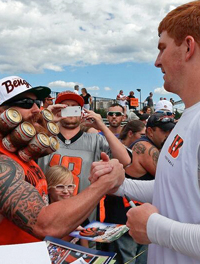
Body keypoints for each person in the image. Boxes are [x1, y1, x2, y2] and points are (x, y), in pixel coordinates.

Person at [90, 1, 200, 263]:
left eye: (162, 49)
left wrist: (153, 228)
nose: (156, 61)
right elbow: (175, 189)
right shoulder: (187, 117)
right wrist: (119, 185)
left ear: (187, 47)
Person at [0, 76, 125, 245]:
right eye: (26, 103)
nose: (37, 109)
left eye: (38, 102)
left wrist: (69, 223)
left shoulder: (22, 153)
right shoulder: (3, 161)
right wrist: (106, 182)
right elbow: (45, 225)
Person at [38, 91, 130, 222]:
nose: (70, 111)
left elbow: (125, 160)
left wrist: (102, 127)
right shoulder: (44, 137)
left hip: (85, 214)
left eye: (74, 107)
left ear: (81, 112)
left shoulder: (96, 140)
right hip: (46, 213)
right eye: (65, 107)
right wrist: (46, 120)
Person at [46, 165, 88, 247]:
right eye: (60, 187)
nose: (66, 191)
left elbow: (86, 249)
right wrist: (70, 233)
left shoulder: (78, 210)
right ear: (48, 188)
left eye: (70, 186)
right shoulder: (41, 211)